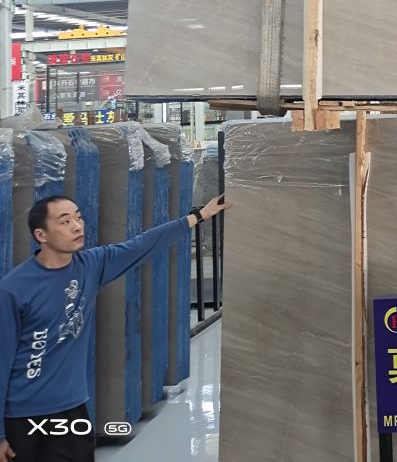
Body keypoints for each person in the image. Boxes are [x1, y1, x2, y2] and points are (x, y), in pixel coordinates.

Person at [0, 193, 231, 462]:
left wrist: (199, 216)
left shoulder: (91, 265)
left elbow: (142, 245)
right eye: (64, 221)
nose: (77, 226)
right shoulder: (14, 289)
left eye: (78, 217)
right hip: (23, 415)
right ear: (41, 234)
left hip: (72, 408)